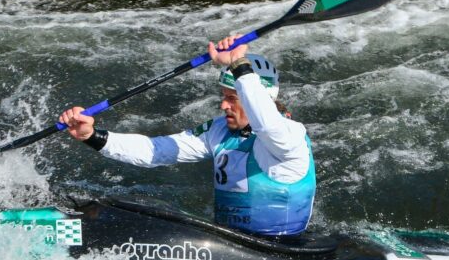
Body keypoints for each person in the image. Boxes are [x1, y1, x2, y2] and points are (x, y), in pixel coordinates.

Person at [58, 35, 316, 236]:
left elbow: (267, 123)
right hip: (234, 240)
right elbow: (157, 151)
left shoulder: (289, 136)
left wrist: (238, 63)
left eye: (231, 99)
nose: (223, 106)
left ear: (257, 97)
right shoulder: (219, 131)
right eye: (223, 98)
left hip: (279, 247)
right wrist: (91, 135)